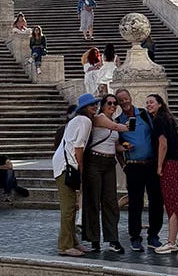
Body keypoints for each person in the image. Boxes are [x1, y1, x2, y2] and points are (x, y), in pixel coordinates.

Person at [113, 87, 164, 251]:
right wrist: (123, 164)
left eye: (125, 98)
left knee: (156, 200)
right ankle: (135, 237)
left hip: (150, 164)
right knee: (135, 203)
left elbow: (156, 135)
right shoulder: (117, 122)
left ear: (130, 98)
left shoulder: (144, 114)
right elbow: (116, 146)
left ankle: (153, 235)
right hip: (133, 166)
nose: (124, 102)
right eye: (120, 100)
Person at [82, 95, 130, 255]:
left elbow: (115, 145)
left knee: (110, 201)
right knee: (93, 200)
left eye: (115, 103)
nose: (113, 105)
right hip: (94, 161)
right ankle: (94, 240)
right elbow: (116, 128)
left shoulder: (113, 122)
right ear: (103, 105)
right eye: (109, 103)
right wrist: (129, 126)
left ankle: (112, 239)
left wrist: (126, 148)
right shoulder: (99, 118)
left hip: (109, 163)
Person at [148, 94, 178, 254]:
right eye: (147, 103)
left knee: (172, 203)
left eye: (151, 102)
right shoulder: (168, 119)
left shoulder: (159, 120)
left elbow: (163, 144)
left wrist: (160, 166)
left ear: (160, 104)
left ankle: (170, 242)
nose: (148, 105)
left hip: (170, 165)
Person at [53, 96, 93, 256]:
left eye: (95, 105)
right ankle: (64, 245)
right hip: (66, 166)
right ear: (84, 108)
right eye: (91, 106)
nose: (94, 108)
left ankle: (73, 241)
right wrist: (81, 169)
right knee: (68, 208)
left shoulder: (77, 120)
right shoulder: (85, 121)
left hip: (62, 164)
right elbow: (78, 148)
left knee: (71, 207)